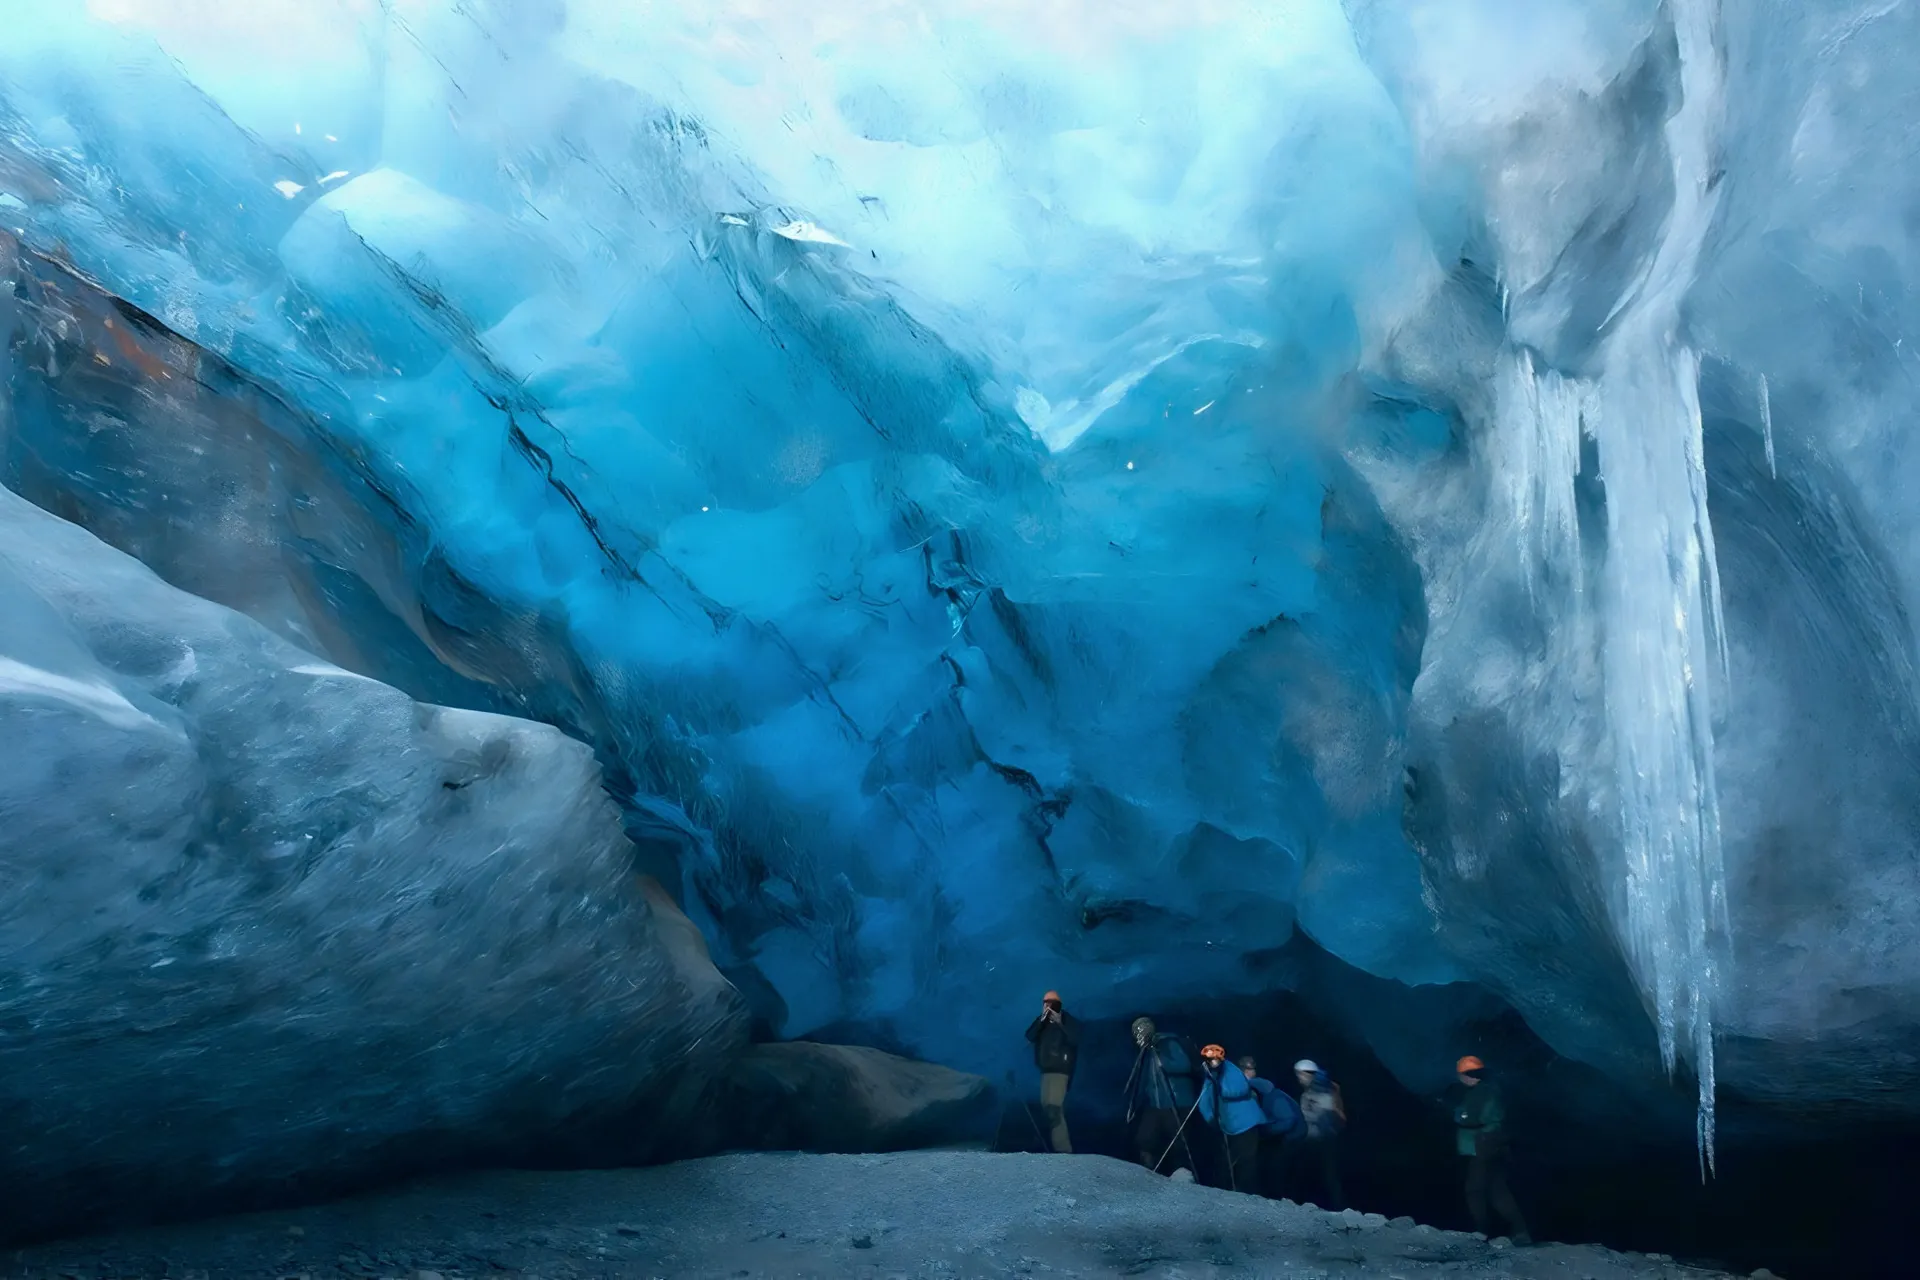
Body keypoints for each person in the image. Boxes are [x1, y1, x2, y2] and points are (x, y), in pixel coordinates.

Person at [1449, 1055, 1531, 1245]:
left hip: (1483, 1146)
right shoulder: (1487, 1090)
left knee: (1475, 1190)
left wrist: (1459, 1115)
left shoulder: (1481, 1093)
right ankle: (1520, 1231)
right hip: (1491, 1145)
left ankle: (1481, 1232)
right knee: (1497, 1190)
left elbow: (1471, 1117)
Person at [1127, 1017, 1197, 1174]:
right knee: (1144, 1138)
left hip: (1177, 1101)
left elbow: (1183, 1065)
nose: (1140, 1034)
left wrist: (1161, 1057)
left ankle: (1183, 1176)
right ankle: (1148, 1171)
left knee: (1179, 1142)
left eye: (1143, 1030)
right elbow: (1145, 1077)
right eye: (1137, 1031)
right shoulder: (1144, 1051)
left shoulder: (1167, 1043)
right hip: (1156, 1103)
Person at [1196, 1044, 1264, 1192]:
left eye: (1215, 1059)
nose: (1213, 1062)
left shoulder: (1231, 1070)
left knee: (1248, 1161)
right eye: (1210, 1059)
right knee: (1229, 1161)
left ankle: (1248, 1193)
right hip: (1229, 1127)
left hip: (1247, 1123)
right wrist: (1211, 1119)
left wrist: (1219, 1087)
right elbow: (1204, 1102)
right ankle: (1228, 1190)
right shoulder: (1210, 1077)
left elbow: (1240, 1088)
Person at [1282, 1059, 1346, 1209]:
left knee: (1326, 1175)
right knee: (1318, 1174)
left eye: (1301, 1075)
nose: (1299, 1079)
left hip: (1320, 1139)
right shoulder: (1313, 1092)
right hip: (1315, 1138)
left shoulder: (1323, 1095)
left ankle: (1338, 1207)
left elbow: (1325, 1117)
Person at [1025, 991, 1081, 1153]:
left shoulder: (1067, 1020)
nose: (1049, 1007)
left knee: (1053, 1108)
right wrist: (1041, 1021)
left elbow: (1075, 1039)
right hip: (1046, 1070)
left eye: (1052, 1004)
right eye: (1046, 1003)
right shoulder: (1042, 1022)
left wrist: (1060, 1024)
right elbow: (1029, 1036)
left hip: (1061, 1070)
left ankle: (1063, 1150)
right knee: (1047, 1107)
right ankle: (1057, 1146)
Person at [1239, 1055, 1302, 1198]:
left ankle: (1279, 1197)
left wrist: (1265, 1131)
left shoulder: (1274, 1098)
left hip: (1291, 1140)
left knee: (1278, 1170)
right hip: (1284, 1139)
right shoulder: (1267, 1095)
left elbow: (1288, 1121)